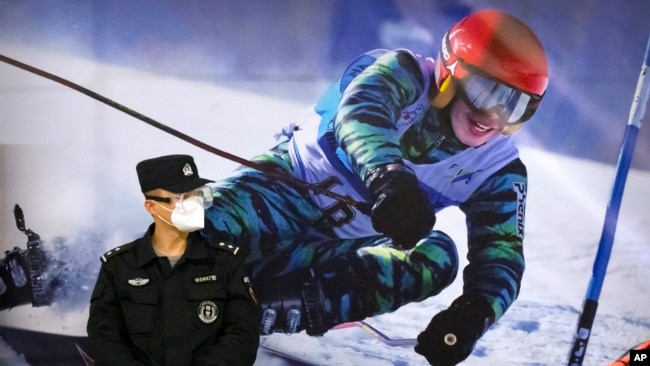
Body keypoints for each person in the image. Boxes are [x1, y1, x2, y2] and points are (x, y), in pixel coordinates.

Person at [205, 9, 548, 366]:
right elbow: (360, 114)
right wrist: (389, 176)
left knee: (436, 256)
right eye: (484, 91)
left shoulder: (497, 168)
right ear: (451, 72)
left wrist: (474, 314)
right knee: (190, 230)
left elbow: (503, 256)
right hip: (267, 203)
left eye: (514, 105)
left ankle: (265, 307)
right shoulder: (403, 74)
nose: (493, 116)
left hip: (326, 255)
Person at [87, 155, 261, 366]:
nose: (194, 203)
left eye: (197, 195)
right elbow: (104, 338)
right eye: (182, 197)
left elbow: (243, 334)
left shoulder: (225, 263)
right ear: (152, 207)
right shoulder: (119, 267)